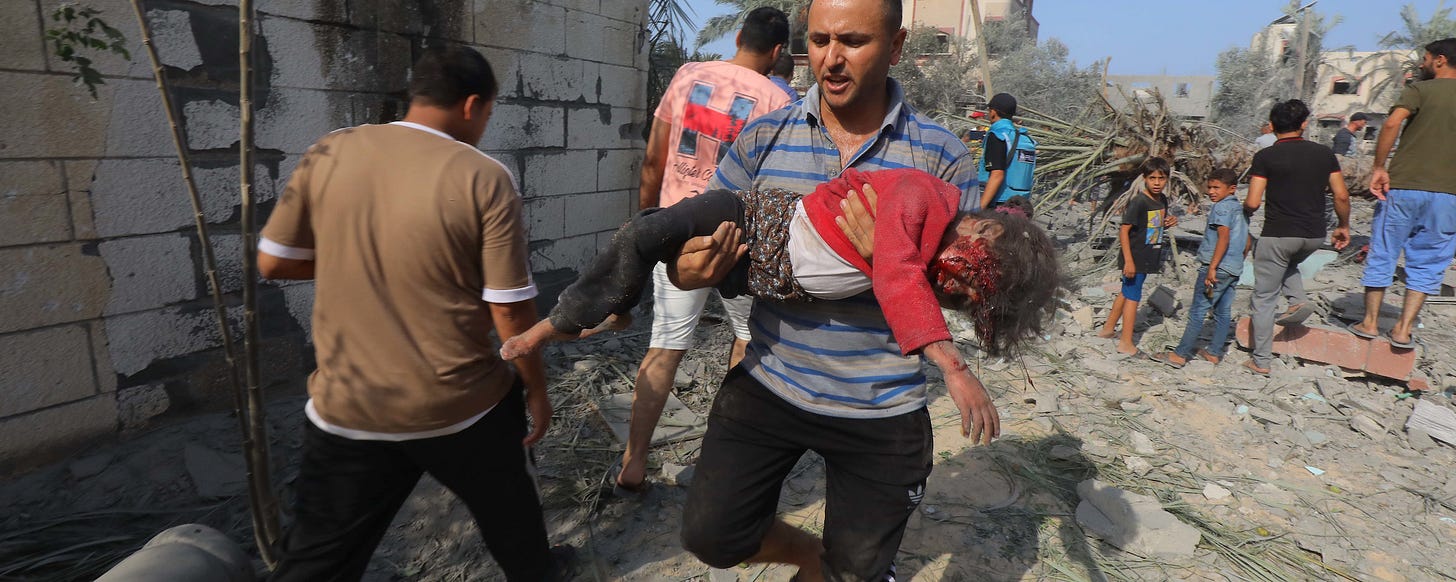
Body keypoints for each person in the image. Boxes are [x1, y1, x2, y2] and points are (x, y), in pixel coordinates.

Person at [671, 0, 1024, 579]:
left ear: (896, 45)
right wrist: (691, 270)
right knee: (711, 536)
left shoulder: (942, 159)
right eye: (818, 40)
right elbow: (700, 251)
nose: (830, 60)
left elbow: (961, 290)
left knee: (855, 572)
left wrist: (886, 256)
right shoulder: (763, 136)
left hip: (882, 407)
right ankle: (808, 553)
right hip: (769, 381)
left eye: (853, 41)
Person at [256, 47, 566, 580]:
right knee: (514, 523)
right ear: (473, 105)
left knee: (316, 559)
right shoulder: (483, 177)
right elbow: (511, 314)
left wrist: (357, 262)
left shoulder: (329, 151)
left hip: (348, 405)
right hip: (461, 405)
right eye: (488, 115)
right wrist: (535, 389)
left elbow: (273, 261)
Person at [502, 169, 1057, 367]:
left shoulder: (929, 254)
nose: (950, 288)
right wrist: (952, 367)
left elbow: (905, 281)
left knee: (651, 236)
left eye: (960, 295)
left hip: (764, 280)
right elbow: (897, 274)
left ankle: (618, 305)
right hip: (749, 221)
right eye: (964, 276)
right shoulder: (924, 196)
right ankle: (558, 323)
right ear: (984, 230)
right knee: (648, 232)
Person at [620, 6, 793, 496]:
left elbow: (653, 159)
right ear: (779, 51)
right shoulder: (779, 98)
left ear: (738, 36)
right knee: (745, 342)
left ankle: (633, 462)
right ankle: (723, 459)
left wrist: (648, 225)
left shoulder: (689, 75)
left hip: (676, 234)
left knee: (665, 345)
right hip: (737, 243)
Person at [1349, 38, 1456, 351]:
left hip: (1404, 186)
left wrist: (1379, 167)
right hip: (1449, 195)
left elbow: (1392, 122)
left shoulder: (1420, 89)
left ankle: (1369, 323)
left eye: (1425, 59)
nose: (1421, 64)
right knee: (1430, 262)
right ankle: (1403, 330)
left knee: (1384, 249)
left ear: (1439, 60)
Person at [1244, 99, 1352, 375]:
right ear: (1303, 124)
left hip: (1278, 233)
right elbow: (1341, 194)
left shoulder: (1265, 156)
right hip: (1313, 235)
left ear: (1272, 124)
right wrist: (1343, 225)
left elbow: (1254, 201)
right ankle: (1297, 299)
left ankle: (1261, 360)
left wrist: (1242, 212)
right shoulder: (1324, 154)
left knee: (1264, 298)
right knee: (1288, 264)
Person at [1151, 169, 1249, 368]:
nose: (1211, 191)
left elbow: (1223, 237)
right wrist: (1237, 260)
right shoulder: (1239, 209)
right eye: (1210, 187)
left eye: (1216, 188)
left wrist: (1213, 267)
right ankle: (1214, 352)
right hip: (1233, 267)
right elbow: (1247, 241)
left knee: (1198, 310)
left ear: (1231, 189)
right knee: (1222, 311)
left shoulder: (1221, 209)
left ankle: (1180, 355)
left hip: (1216, 267)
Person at [1097, 157, 1177, 357]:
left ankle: (1107, 329)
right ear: (1144, 179)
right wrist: (1129, 260)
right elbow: (1124, 231)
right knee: (1133, 297)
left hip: (1149, 254)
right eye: (1152, 178)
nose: (1157, 183)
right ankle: (1125, 342)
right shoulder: (1139, 202)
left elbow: (1152, 224)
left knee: (1126, 292)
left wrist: (1166, 222)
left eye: (1161, 178)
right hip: (1135, 256)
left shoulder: (1162, 200)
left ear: (1167, 179)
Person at [977, 92, 1038, 210]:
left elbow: (997, 175)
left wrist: (980, 208)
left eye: (989, 111)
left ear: (993, 112)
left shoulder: (997, 136)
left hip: (999, 204)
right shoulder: (1024, 138)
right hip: (1021, 205)